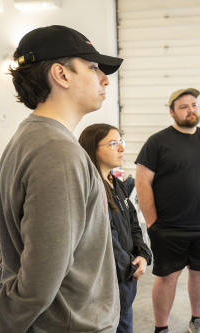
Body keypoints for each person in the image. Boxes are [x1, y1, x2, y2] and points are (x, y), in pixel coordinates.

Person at [0, 25, 123, 332]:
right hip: (68, 325)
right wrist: (1, 324)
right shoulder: (57, 153)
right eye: (93, 67)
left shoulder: (35, 137)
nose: (104, 79)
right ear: (61, 75)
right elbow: (41, 276)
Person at [135, 88, 200, 333]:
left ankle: (197, 320)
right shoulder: (157, 142)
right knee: (167, 277)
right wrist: (152, 223)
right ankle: (161, 328)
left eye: (194, 105)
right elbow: (142, 181)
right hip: (169, 228)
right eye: (183, 106)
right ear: (172, 112)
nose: (191, 110)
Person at [79, 124, 152, 333]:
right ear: (93, 148)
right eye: (113, 144)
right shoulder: (92, 188)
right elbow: (104, 238)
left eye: (121, 142)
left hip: (125, 283)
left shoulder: (115, 182)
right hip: (107, 286)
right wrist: (130, 267)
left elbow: (133, 224)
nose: (121, 148)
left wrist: (143, 254)